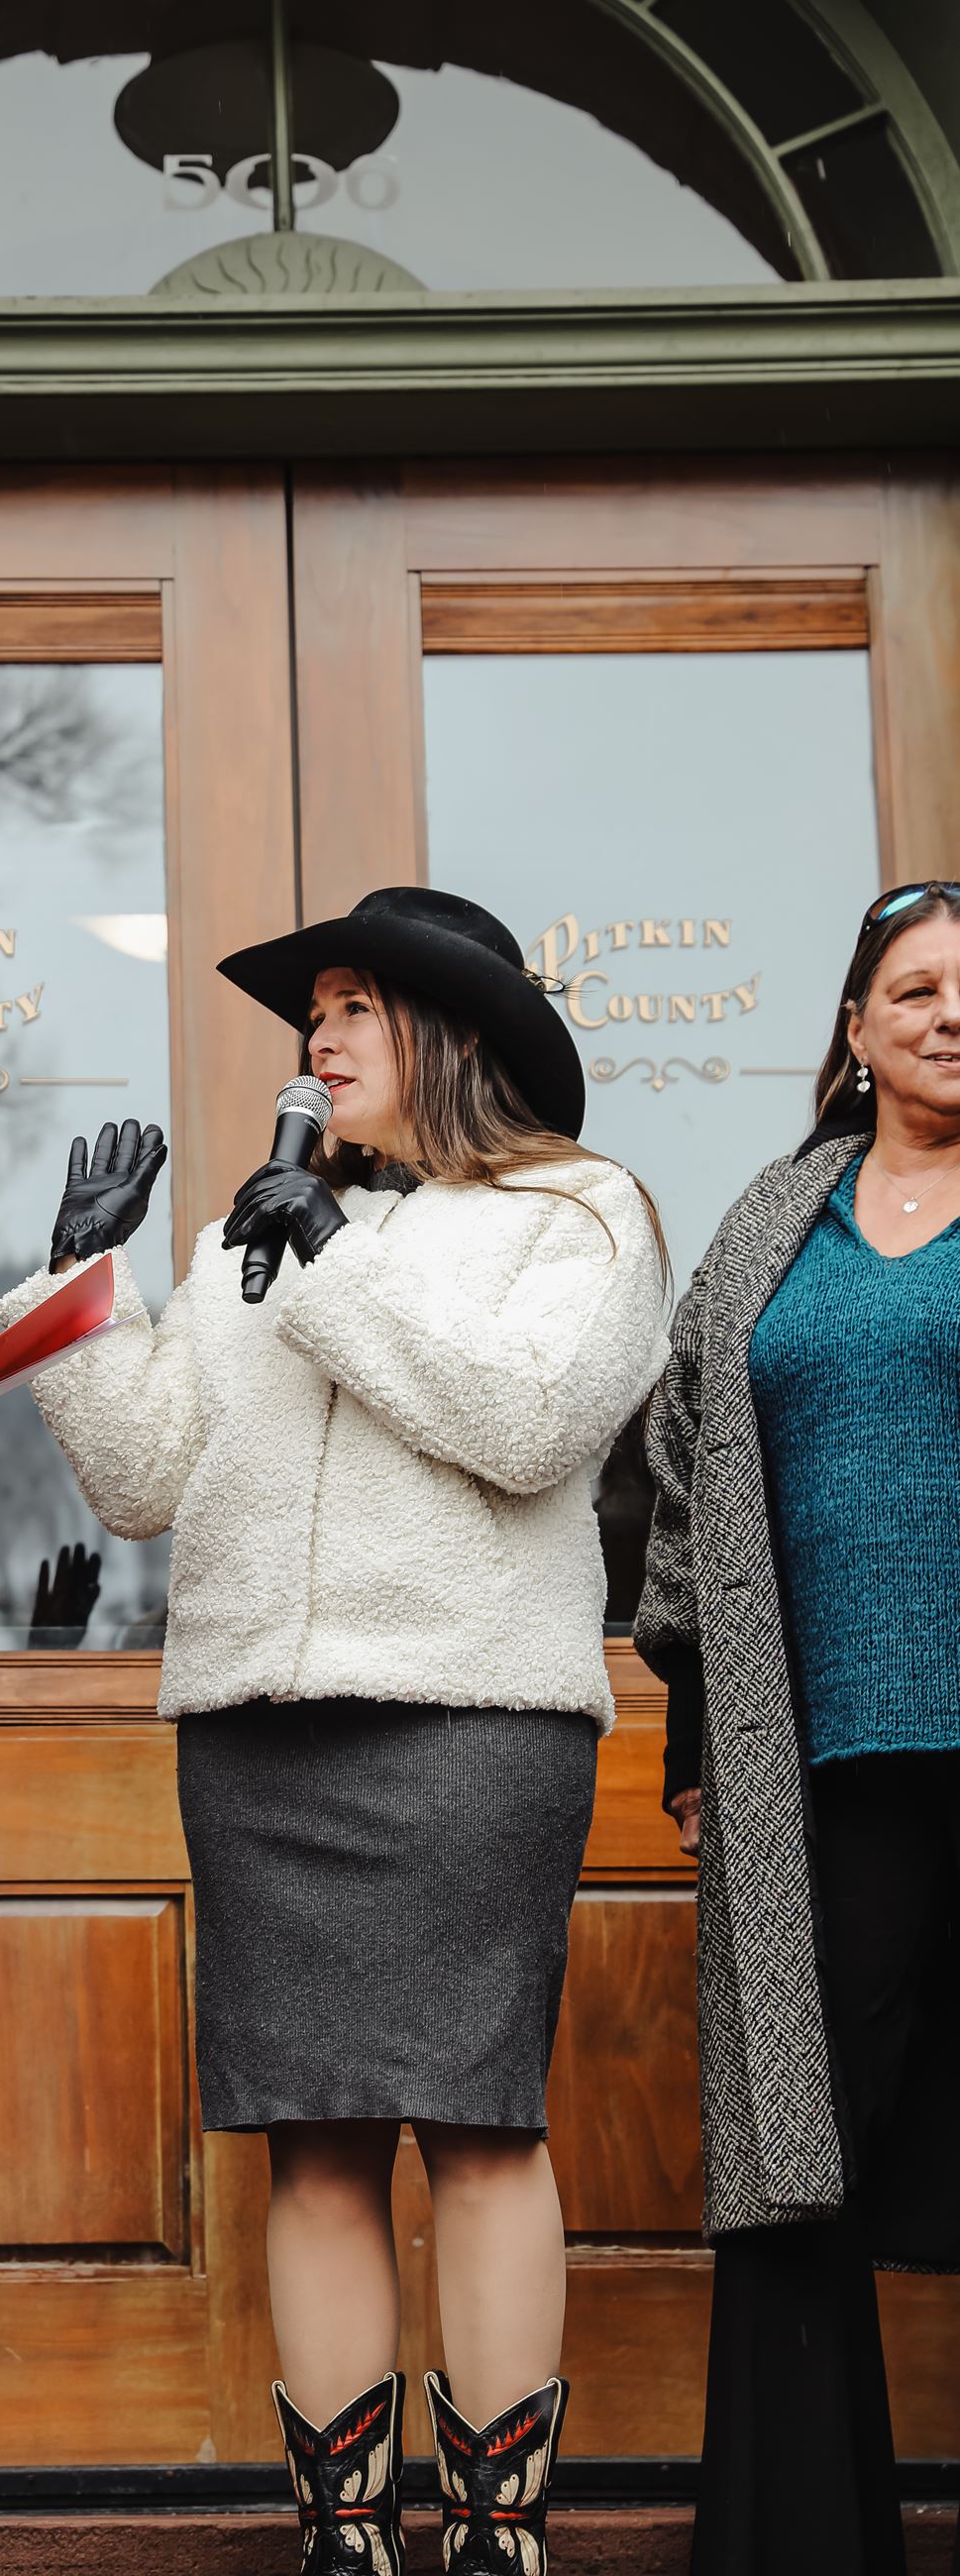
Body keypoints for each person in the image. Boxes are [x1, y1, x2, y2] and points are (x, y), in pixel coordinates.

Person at [0, 887, 670, 2573]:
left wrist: (328, 1265)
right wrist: (88, 1280)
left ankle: (496, 2543)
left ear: (451, 1037)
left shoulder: (579, 1214)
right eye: (318, 1013)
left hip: (465, 1723)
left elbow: (525, 1431)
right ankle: (344, 2545)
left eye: (359, 1006)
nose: (321, 1036)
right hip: (256, 1733)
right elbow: (146, 1484)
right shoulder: (261, 1233)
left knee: (479, 2126)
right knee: (309, 2140)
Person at [637, 882, 960, 2576]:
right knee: (795, 2148)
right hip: (815, 1762)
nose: (945, 1015)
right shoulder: (772, 1220)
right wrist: (695, 1732)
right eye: (910, 990)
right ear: (852, 1029)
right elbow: (681, 1481)